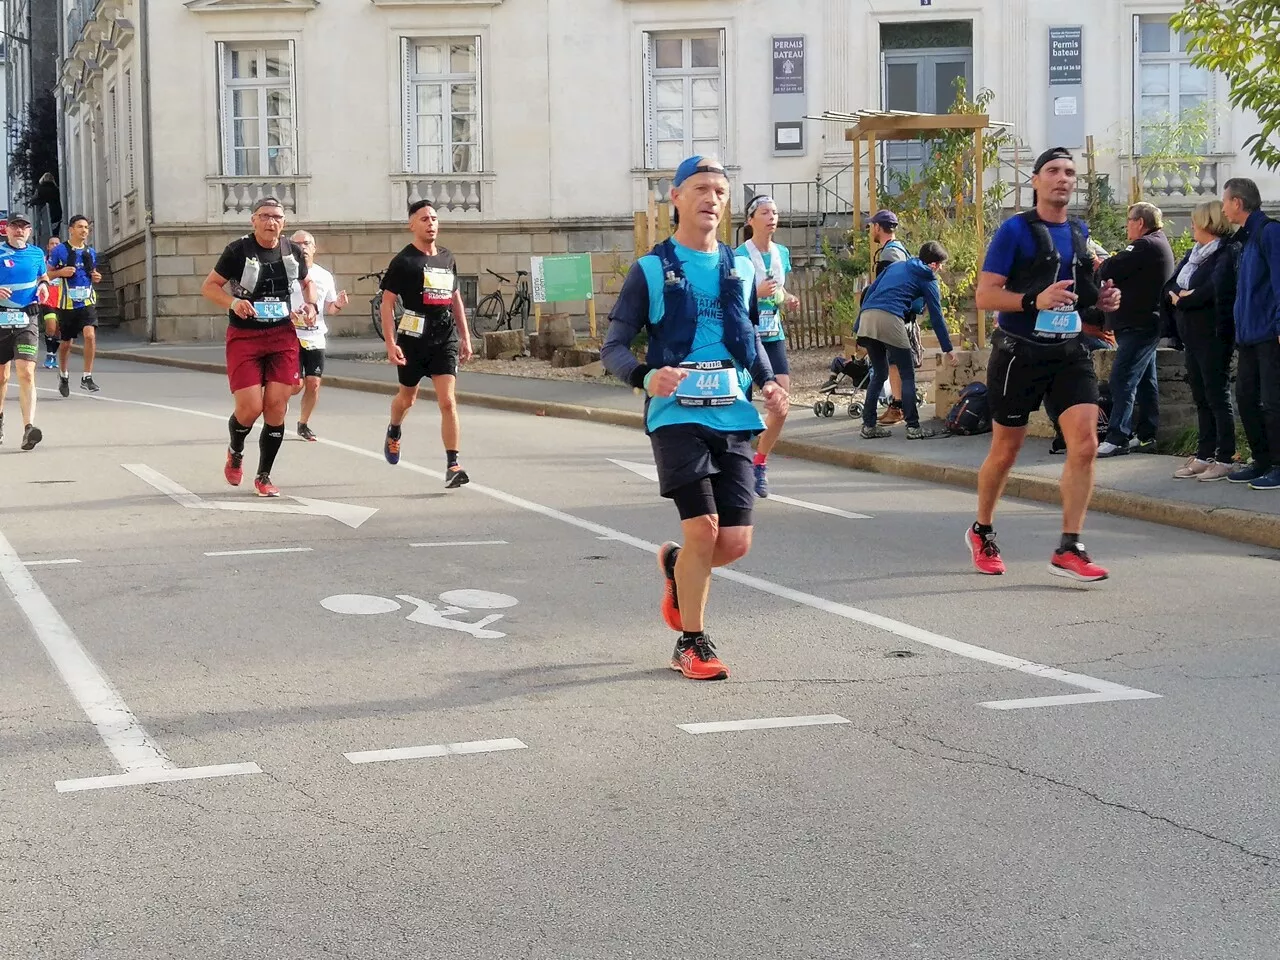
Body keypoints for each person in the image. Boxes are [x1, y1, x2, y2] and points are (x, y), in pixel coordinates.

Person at [600, 155, 788, 681]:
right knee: (704, 528)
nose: (712, 198)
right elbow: (612, 346)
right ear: (676, 197)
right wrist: (644, 376)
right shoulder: (652, 270)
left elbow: (749, 340)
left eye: (721, 191)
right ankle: (691, 641)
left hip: (732, 414)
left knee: (734, 542)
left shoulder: (741, 267)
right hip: (675, 415)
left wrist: (769, 381)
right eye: (701, 188)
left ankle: (674, 567)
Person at [968, 147, 1121, 581]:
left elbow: (1084, 294)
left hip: (1069, 353)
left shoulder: (1077, 231)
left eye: (1070, 172)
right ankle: (982, 531)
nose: (1062, 178)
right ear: (1035, 180)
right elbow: (984, 297)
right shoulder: (1014, 231)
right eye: (1053, 171)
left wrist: (1104, 301)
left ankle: (1069, 547)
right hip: (1019, 353)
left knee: (1087, 444)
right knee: (1006, 451)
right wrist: (1034, 300)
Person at [200, 196, 318, 497]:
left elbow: (307, 282)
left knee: (276, 406)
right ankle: (236, 449)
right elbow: (209, 286)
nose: (271, 222)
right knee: (251, 407)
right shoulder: (238, 250)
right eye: (265, 216)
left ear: (284, 222)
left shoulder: (292, 250)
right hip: (245, 337)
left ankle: (264, 476)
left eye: (277, 217)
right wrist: (234, 302)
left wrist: (311, 304)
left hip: (282, 336)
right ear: (254, 220)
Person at [379, 200, 474, 487]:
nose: (430, 223)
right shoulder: (404, 261)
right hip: (413, 336)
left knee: (448, 401)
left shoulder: (447, 257)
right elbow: (387, 304)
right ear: (412, 225)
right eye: (424, 219)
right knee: (407, 398)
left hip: (444, 336)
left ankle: (453, 464)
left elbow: (455, 297)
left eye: (433, 218)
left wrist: (465, 336)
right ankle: (394, 430)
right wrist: (390, 343)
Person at [1165, 200, 1240, 482]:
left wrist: (1185, 298)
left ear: (1209, 223)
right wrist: (1180, 296)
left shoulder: (1225, 253)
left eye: (1195, 220)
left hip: (1213, 336)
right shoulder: (1194, 253)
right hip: (1191, 336)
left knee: (1217, 396)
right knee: (1200, 397)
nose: (1192, 225)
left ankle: (1225, 457)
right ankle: (1204, 454)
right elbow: (1171, 285)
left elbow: (1209, 292)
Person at [1095, 202, 1176, 457]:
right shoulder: (1156, 243)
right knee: (1144, 382)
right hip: (1143, 323)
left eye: (1129, 219)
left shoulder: (1145, 245)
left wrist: (1103, 263)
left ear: (1140, 222)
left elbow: (1109, 268)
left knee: (1122, 377)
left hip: (1139, 325)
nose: (1126, 224)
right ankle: (1146, 435)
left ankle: (1118, 436)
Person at [855, 241, 958, 440]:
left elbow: (870, 291)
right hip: (890, 318)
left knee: (880, 372)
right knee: (907, 373)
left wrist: (858, 327)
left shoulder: (896, 266)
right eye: (941, 265)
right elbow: (936, 317)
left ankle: (868, 425)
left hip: (867, 317)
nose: (941, 269)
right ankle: (913, 427)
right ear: (934, 265)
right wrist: (948, 348)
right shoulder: (928, 279)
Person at [736, 195, 799, 497]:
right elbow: (732, 297)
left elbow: (778, 287)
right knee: (743, 406)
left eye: (775, 211)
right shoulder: (739, 255)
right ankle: (737, 463)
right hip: (747, 334)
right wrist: (755, 292)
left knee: (782, 402)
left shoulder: (782, 253)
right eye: (764, 212)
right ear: (751, 220)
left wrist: (787, 298)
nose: (772, 217)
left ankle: (760, 462)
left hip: (772, 333)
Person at [1221, 177, 1280, 490]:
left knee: (1273, 401)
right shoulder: (1243, 240)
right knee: (1246, 398)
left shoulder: (1269, 233)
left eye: (1225, 201)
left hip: (1269, 333)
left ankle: (1278, 464)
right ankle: (1262, 460)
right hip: (1248, 336)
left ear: (1238, 203)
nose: (1223, 208)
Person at [288, 230, 348, 441]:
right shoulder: (285, 273)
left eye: (307, 244)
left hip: (315, 336)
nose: (303, 247)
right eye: (297, 244)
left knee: (313, 383)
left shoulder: (323, 276)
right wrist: (289, 315)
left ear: (314, 248)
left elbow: (329, 308)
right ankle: (278, 400)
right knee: (295, 385)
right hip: (290, 335)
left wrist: (338, 305)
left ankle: (303, 424)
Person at [0, 213, 50, 450]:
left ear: (29, 231)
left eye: (24, 227)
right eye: (15, 227)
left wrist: (43, 288)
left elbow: (44, 277)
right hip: (0, 318)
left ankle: (28, 428)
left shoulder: (37, 253)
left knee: (26, 372)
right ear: (6, 230)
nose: (19, 231)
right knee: (2, 377)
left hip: (26, 319)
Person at [47, 215, 103, 395]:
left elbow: (93, 273)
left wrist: (97, 277)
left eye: (86, 227)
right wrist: (61, 272)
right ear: (71, 229)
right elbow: (47, 274)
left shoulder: (90, 252)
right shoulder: (60, 251)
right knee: (66, 344)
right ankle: (63, 375)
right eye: (80, 227)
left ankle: (87, 376)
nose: (84, 230)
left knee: (90, 335)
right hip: (66, 303)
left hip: (86, 301)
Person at [867, 209, 913, 423]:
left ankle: (898, 407)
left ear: (878, 227)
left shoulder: (889, 254)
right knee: (895, 363)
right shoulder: (899, 249)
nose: (870, 230)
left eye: (872, 226)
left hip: (892, 313)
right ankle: (899, 406)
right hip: (898, 312)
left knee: (894, 364)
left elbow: (890, 285)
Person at [41, 236, 62, 368]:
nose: (54, 246)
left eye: (56, 244)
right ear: (48, 247)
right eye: (51, 244)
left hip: (63, 296)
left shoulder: (65, 260)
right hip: (48, 296)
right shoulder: (43, 261)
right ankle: (50, 354)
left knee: (60, 330)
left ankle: (54, 354)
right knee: (51, 327)